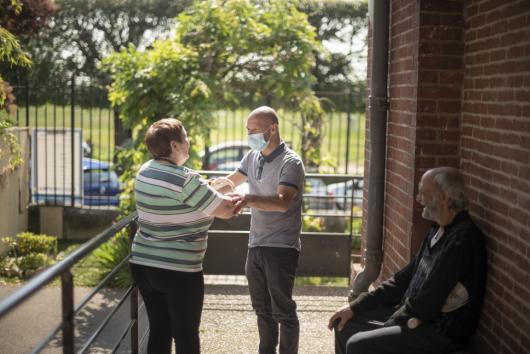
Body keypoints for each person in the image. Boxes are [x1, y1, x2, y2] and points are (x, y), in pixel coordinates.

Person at [329, 167, 487, 354]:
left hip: (438, 333)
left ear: (444, 197)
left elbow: (427, 301)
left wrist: (389, 325)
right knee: (344, 324)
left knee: (358, 345)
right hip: (413, 318)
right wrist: (356, 307)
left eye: (423, 193)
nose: (419, 198)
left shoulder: (462, 241)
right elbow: (403, 279)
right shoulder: (437, 230)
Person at [129, 118, 239, 354]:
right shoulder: (186, 179)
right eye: (185, 137)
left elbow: (185, 201)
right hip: (178, 270)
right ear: (174, 145)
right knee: (186, 335)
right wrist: (234, 194)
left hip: (143, 264)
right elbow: (226, 211)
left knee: (159, 331)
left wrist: (210, 189)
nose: (189, 142)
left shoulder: (145, 171)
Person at [225, 106, 305, 354]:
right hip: (255, 245)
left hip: (281, 247)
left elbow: (282, 203)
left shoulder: (291, 162)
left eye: (255, 130)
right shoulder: (252, 157)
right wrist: (202, 185)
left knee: (283, 311)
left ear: (273, 129)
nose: (250, 135)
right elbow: (229, 182)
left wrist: (248, 199)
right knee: (262, 310)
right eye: (248, 130)